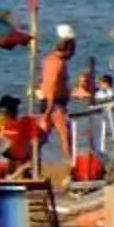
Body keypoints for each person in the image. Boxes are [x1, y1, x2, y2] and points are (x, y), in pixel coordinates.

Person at [36, 29, 80, 158]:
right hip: (55, 104)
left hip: (51, 102)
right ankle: (70, 166)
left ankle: (28, 162)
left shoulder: (49, 59)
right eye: (73, 50)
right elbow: (51, 84)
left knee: (41, 137)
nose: (74, 53)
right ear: (68, 49)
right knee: (66, 136)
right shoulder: (58, 63)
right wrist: (49, 110)